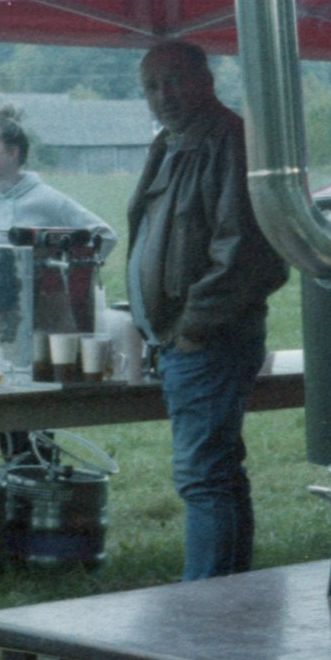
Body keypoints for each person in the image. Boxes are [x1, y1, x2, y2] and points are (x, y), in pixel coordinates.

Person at [124, 40, 290, 579]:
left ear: (207, 80)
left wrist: (193, 327)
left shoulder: (227, 141)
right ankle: (228, 598)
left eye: (173, 81)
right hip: (185, 341)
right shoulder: (175, 143)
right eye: (151, 86)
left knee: (203, 477)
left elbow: (244, 250)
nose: (163, 96)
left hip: (210, 339)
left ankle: (205, 604)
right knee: (217, 474)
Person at [0, 102, 117, 306]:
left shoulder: (46, 199)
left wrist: (66, 279)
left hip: (38, 314)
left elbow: (105, 236)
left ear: (12, 152)